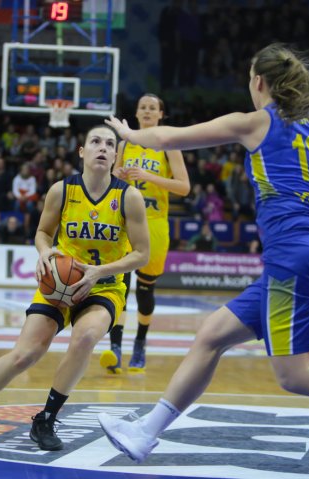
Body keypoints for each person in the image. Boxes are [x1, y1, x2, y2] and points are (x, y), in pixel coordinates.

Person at [99, 43, 309, 475]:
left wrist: (127, 134)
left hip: (294, 256)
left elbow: (169, 136)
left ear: (259, 81)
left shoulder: (254, 122)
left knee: (295, 375)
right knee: (211, 335)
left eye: (249, 76)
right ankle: (145, 432)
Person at [0, 125, 149, 451]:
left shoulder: (128, 196)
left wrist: (98, 271)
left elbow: (141, 254)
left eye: (109, 144)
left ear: (115, 155)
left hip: (104, 286)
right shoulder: (62, 190)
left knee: (86, 336)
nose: (102, 148)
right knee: (26, 353)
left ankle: (46, 420)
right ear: (82, 151)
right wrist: (46, 253)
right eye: (95, 142)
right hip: (59, 284)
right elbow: (43, 233)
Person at [99, 93, 190, 374]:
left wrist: (148, 176)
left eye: (153, 108)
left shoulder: (168, 146)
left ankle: (140, 342)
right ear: (136, 114)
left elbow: (184, 187)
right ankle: (115, 348)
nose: (148, 111)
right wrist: (119, 177)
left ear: (161, 114)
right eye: (143, 107)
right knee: (120, 286)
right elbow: (109, 181)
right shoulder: (125, 144)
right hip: (125, 222)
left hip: (155, 222)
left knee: (145, 288)